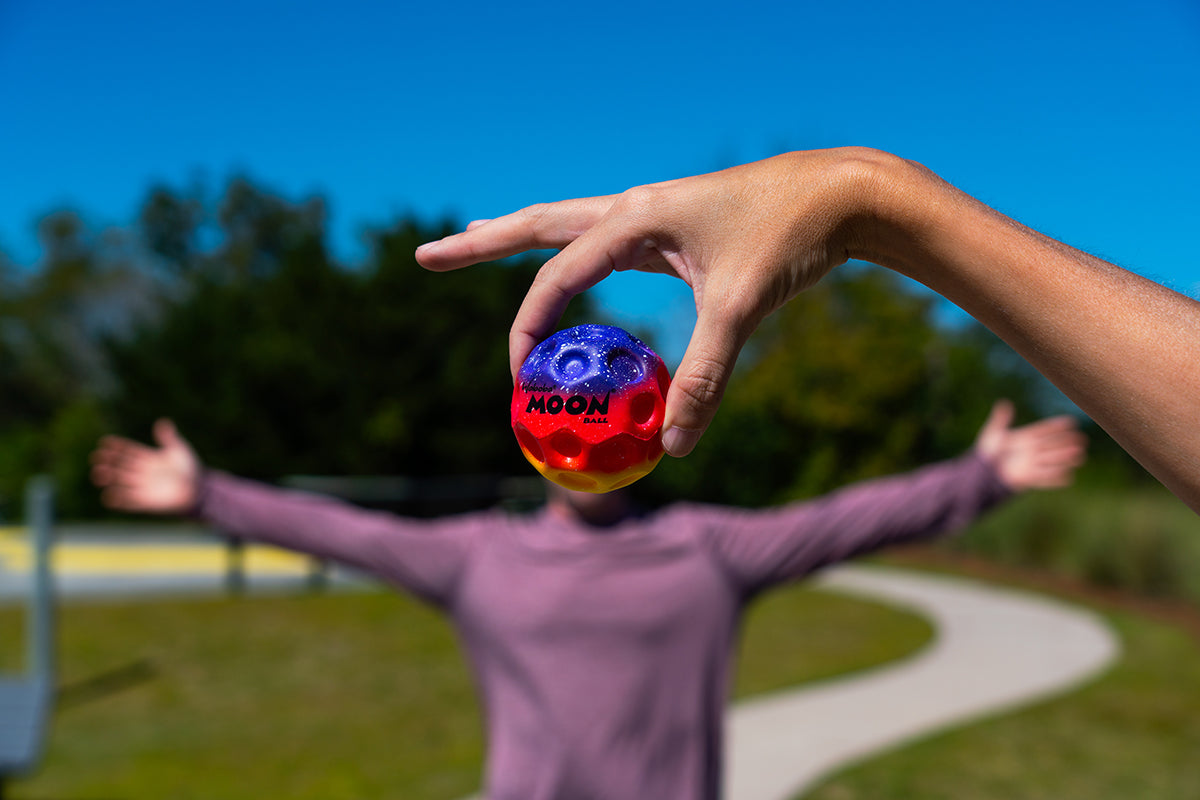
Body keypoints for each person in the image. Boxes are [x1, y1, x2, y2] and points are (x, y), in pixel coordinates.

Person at [91, 401, 1083, 800]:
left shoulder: (708, 547)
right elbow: (347, 531)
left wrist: (979, 475)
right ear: (537, 438)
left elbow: (846, 518)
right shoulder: (479, 556)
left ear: (646, 435)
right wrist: (209, 493)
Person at [414, 147, 1200, 513]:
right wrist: (869, 199)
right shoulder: (485, 555)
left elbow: (830, 528)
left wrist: (868, 198)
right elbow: (343, 530)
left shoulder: (693, 553)